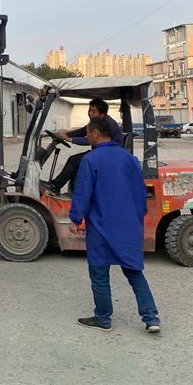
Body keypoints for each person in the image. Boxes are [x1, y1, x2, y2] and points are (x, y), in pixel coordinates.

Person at [69, 116, 160, 333]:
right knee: (134, 272)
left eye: (88, 132)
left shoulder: (91, 160)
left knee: (99, 273)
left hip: (101, 225)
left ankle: (103, 318)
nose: (87, 136)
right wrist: (138, 217)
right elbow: (140, 192)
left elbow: (83, 193)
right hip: (128, 225)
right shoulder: (128, 158)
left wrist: (75, 218)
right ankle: (151, 318)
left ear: (96, 134)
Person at [46, 98, 123, 195]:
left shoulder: (106, 124)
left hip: (108, 157)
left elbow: (92, 140)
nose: (90, 113)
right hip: (102, 154)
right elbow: (82, 131)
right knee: (74, 159)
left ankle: (55, 186)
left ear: (102, 114)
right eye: (89, 110)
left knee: (74, 161)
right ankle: (58, 186)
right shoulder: (98, 122)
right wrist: (66, 134)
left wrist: (71, 139)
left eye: (93, 111)